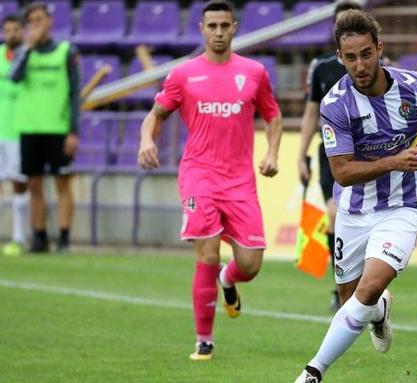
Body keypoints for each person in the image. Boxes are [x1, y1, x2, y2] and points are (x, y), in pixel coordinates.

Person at [295, 10, 417, 383]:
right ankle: (380, 312)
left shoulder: (416, 85)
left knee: (368, 289)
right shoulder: (335, 104)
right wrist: (393, 161)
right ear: (340, 57)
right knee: (351, 297)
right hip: (353, 210)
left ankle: (312, 373)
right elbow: (342, 172)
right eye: (350, 57)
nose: (359, 65)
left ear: (379, 49)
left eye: (366, 54)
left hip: (404, 204)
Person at [137, 0, 283, 361]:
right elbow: (155, 116)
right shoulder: (183, 75)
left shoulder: (253, 73)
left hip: (240, 181)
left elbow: (273, 115)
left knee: (250, 264)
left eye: (224, 26)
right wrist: (146, 140)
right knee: (207, 250)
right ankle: (204, 339)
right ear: (201, 29)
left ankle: (228, 279)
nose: (219, 32)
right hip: (199, 176)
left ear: (234, 27)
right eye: (212, 26)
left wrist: (272, 153)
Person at [298, 0, 364, 312]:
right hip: (331, 156)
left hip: (367, 155)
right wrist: (301, 155)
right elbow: (311, 113)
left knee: (358, 221)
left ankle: (360, 286)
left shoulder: (372, 66)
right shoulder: (322, 68)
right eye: (340, 25)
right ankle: (341, 289)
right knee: (334, 215)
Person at [8, 3, 81, 253]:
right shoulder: (24, 52)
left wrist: (73, 130)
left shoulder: (65, 51)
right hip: (29, 128)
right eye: (32, 21)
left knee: (63, 185)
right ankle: (39, 237)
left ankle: (63, 238)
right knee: (34, 186)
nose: (37, 24)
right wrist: (28, 47)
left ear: (50, 21)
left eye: (40, 19)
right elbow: (14, 77)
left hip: (58, 129)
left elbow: (74, 94)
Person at [0, 15, 28, 257]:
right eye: (7, 30)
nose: (11, 35)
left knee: (19, 183)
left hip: (18, 130)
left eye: (15, 29)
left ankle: (19, 237)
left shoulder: (29, 57)